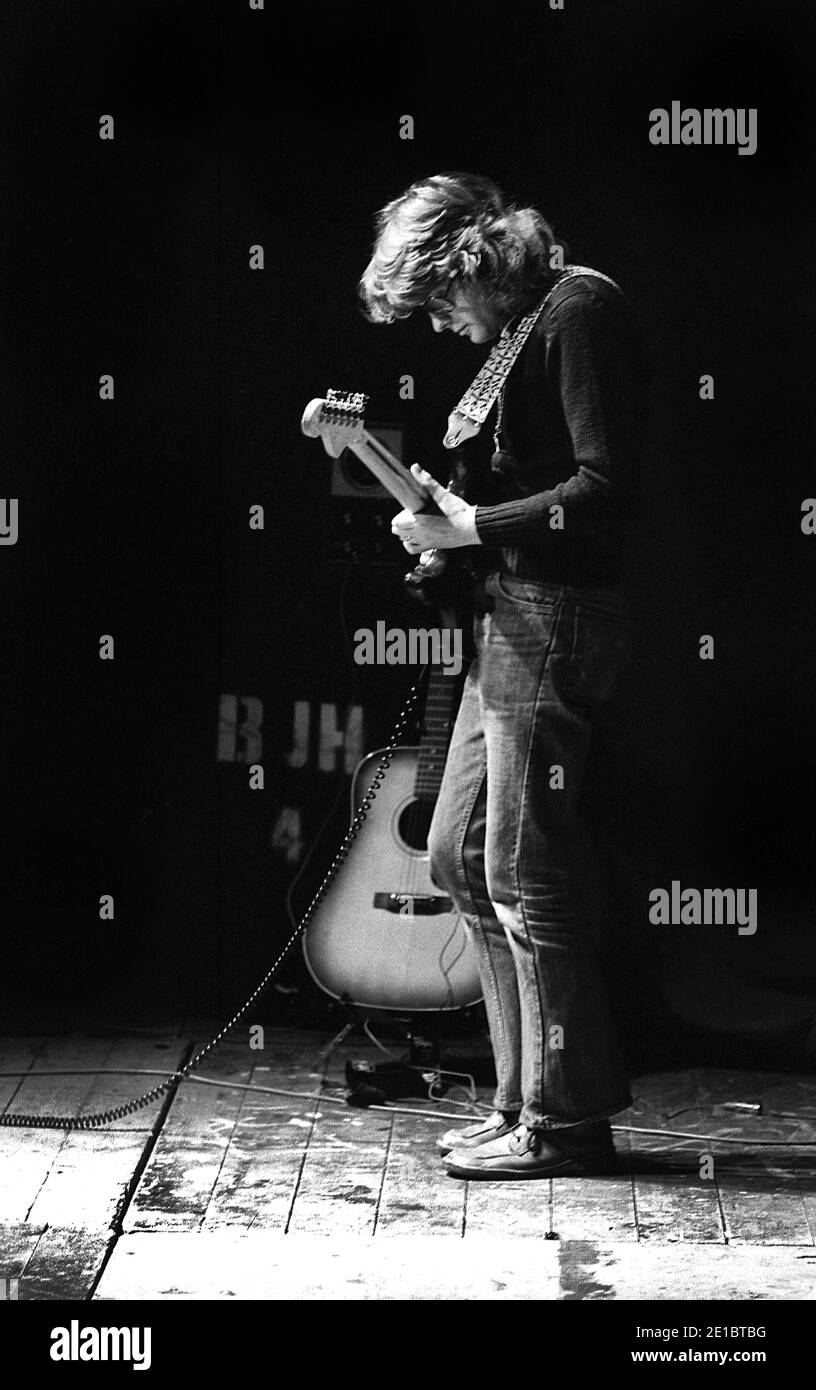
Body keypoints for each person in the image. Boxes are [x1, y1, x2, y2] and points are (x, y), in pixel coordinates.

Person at [358, 172, 643, 1179]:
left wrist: (472, 525)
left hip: (555, 620)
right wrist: (450, 535)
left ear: (470, 262)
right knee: (457, 853)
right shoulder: (522, 330)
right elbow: (527, 491)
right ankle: (523, 1101)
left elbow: (604, 488)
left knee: (525, 863)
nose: (442, 328)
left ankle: (565, 1122)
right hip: (506, 612)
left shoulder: (577, 309)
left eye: (440, 302)